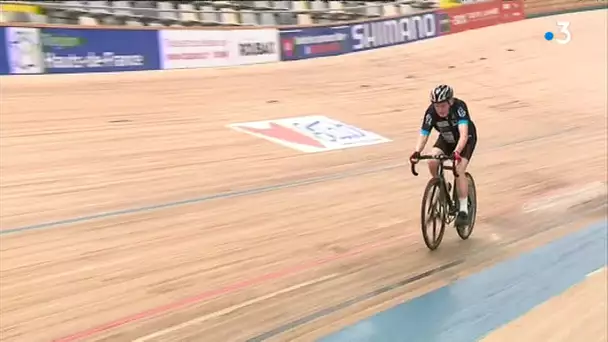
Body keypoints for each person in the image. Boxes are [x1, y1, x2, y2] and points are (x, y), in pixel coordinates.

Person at [409, 84, 477, 227]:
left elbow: (463, 135)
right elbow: (424, 134)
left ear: (450, 102)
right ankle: (443, 186)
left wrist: (457, 152)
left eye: (443, 105)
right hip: (446, 138)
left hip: (465, 140)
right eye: (437, 106)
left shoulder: (459, 107)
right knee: (432, 160)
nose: (439, 109)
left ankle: (463, 209)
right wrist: (417, 152)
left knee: (458, 169)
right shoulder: (430, 112)